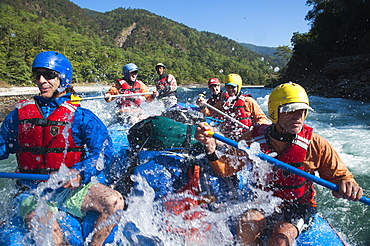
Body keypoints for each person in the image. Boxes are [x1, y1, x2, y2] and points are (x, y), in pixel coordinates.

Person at [194, 82, 363, 246]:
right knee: (245, 225)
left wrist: (348, 185)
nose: (298, 116)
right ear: (275, 112)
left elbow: (341, 177)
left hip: (299, 207)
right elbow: (225, 169)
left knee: (281, 238)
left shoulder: (315, 143)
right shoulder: (253, 138)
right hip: (264, 202)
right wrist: (210, 147)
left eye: (302, 111)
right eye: (290, 111)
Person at [0, 51, 125, 246]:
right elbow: (2, 146)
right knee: (51, 229)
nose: (42, 81)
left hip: (68, 190)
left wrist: (80, 172)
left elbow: (102, 152)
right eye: (38, 75)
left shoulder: (81, 116)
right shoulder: (18, 115)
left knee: (114, 201)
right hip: (31, 190)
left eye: (49, 75)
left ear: (63, 79)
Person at [199, 74, 268, 139]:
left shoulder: (248, 101)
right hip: (228, 136)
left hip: (245, 136)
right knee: (208, 135)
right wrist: (201, 105)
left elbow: (263, 119)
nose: (230, 90)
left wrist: (255, 127)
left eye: (233, 87)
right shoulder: (224, 103)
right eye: (228, 87)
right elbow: (209, 113)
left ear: (238, 87)